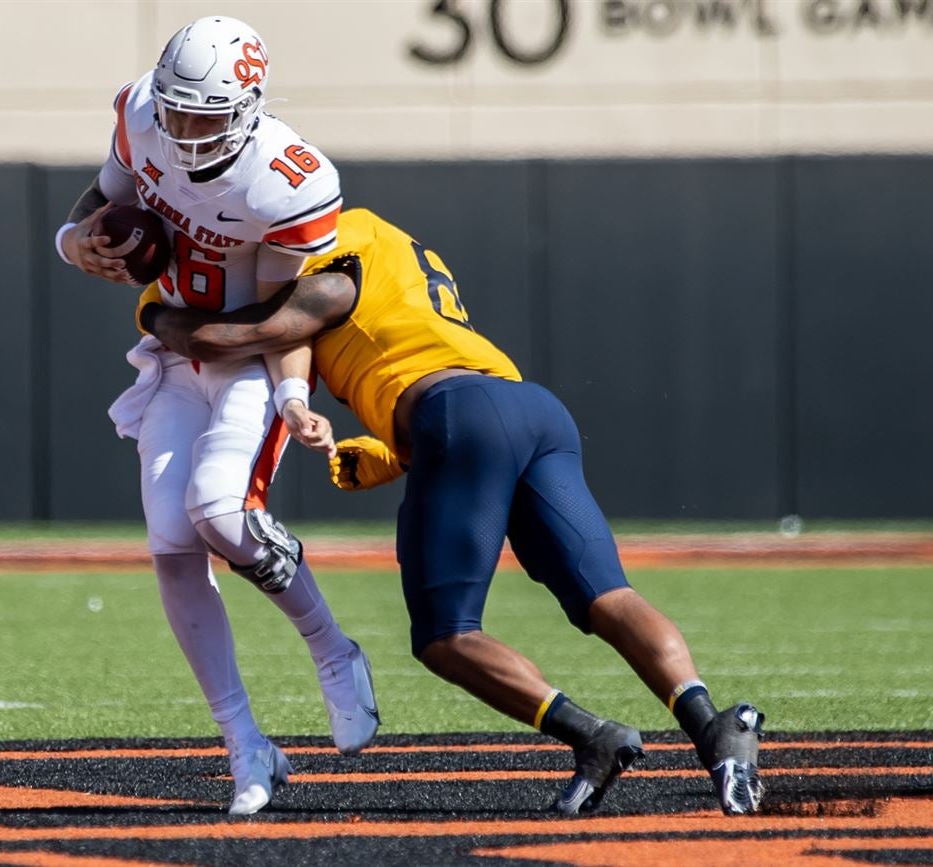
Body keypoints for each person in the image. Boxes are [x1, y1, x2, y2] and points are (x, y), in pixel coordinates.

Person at [137, 207, 766, 816]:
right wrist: (384, 455)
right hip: (527, 409)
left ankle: (593, 736)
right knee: (606, 596)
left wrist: (154, 311)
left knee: (445, 637)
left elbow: (254, 333)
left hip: (457, 416)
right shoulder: (399, 261)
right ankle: (712, 730)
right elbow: (424, 385)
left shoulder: (332, 257)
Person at [54, 16, 378, 815]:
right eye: (177, 109)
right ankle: (245, 744)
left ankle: (333, 651)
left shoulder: (288, 179)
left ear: (250, 106)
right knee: (171, 541)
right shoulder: (142, 116)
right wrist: (76, 242)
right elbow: (104, 204)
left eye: (206, 114)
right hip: (172, 356)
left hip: (246, 361)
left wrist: (295, 398)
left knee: (218, 510)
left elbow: (286, 315)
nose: (185, 129)